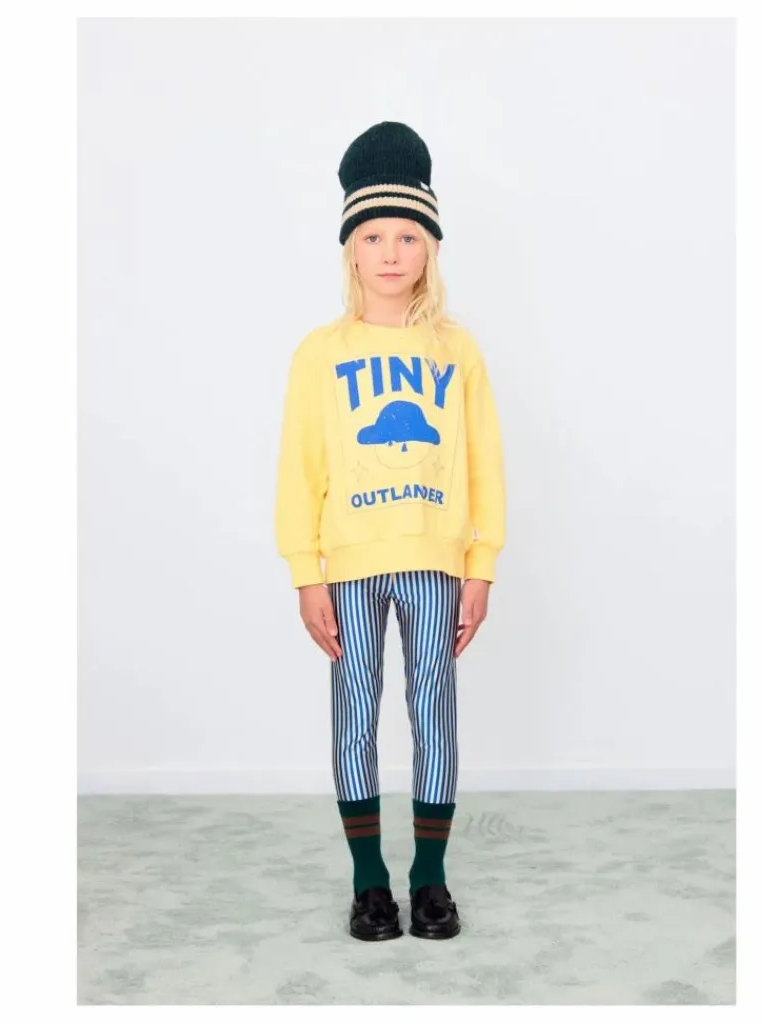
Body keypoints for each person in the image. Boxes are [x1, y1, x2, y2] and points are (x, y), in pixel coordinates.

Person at [274, 121, 506, 942]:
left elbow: (484, 465)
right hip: (348, 565)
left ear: (431, 247)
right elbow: (300, 469)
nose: (391, 252)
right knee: (355, 713)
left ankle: (430, 879)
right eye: (373, 236)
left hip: (435, 561)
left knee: (434, 709)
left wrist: (481, 564)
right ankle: (369, 881)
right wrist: (305, 572)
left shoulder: (456, 352)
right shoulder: (320, 353)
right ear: (350, 248)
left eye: (408, 235)